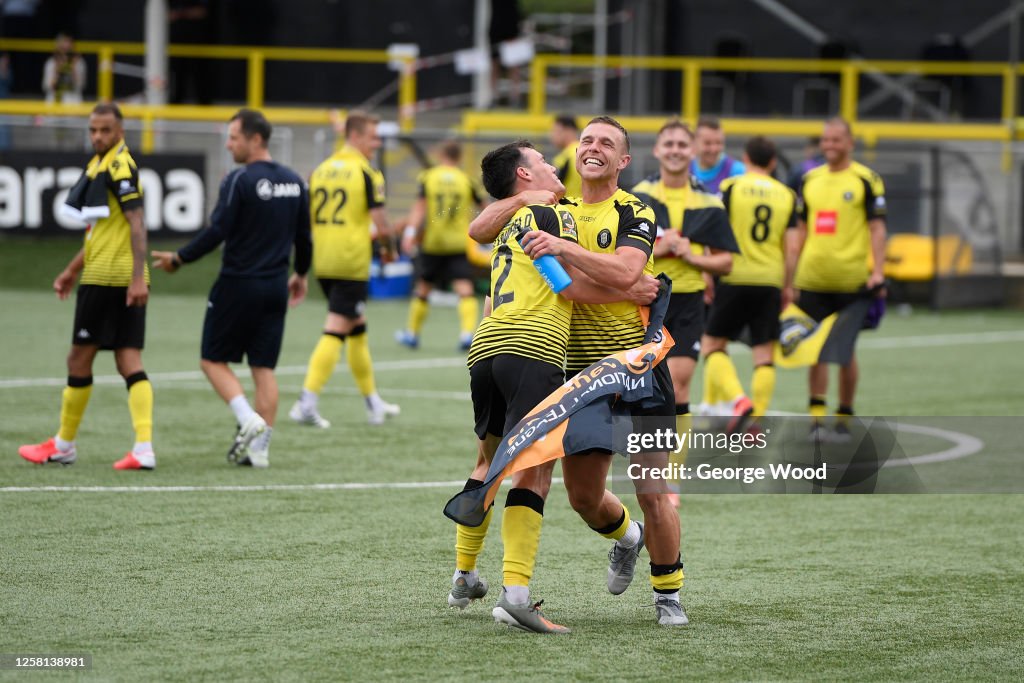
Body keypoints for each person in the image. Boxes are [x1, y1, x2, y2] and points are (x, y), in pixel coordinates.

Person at [474, 117, 688, 628]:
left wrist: (565, 249)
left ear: (623, 161)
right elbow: (485, 232)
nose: (593, 148)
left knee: (653, 489)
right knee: (584, 498)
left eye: (606, 144)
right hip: (579, 375)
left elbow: (626, 271)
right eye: (587, 140)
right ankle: (628, 539)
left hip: (637, 367)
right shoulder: (552, 207)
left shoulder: (636, 209)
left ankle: (668, 596)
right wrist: (523, 202)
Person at [151, 109, 311, 468]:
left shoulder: (239, 180)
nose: (228, 144)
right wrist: (300, 274)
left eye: (234, 137)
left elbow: (217, 231)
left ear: (255, 139)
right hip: (274, 288)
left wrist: (180, 258)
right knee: (263, 367)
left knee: (211, 359)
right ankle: (260, 452)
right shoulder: (295, 181)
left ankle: (248, 419)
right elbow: (304, 237)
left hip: (238, 285)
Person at [19, 103, 155, 470]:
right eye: (93, 130)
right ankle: (143, 448)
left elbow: (137, 222)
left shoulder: (117, 165)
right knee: (128, 359)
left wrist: (139, 276)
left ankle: (64, 444)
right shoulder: (99, 165)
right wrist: (70, 270)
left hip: (110, 278)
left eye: (105, 130)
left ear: (120, 130)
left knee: (79, 357)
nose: (97, 136)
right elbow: (101, 232)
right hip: (107, 273)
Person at [289, 111, 399, 429]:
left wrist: (304, 263)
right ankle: (306, 401)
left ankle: (372, 401)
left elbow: (305, 219)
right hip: (351, 261)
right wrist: (389, 252)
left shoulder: (320, 170)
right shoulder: (366, 172)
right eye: (373, 137)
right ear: (355, 136)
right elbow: (381, 222)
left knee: (356, 328)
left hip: (324, 259)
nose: (377, 143)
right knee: (336, 327)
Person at [786, 117, 887, 439]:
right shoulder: (810, 179)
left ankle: (844, 416)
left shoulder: (867, 179)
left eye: (836, 140)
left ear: (850, 143)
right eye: (825, 140)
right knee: (813, 350)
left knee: (844, 350)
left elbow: (877, 228)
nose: (829, 145)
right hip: (812, 279)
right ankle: (817, 418)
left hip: (852, 282)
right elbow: (800, 230)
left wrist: (878, 272)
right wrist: (792, 276)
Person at [632, 120, 734, 431]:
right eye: (669, 144)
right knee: (640, 388)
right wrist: (662, 250)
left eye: (681, 145)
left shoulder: (710, 203)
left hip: (689, 301)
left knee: (678, 385)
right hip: (647, 300)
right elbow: (622, 257)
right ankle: (648, 466)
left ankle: (671, 477)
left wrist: (691, 256)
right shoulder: (638, 197)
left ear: (692, 151)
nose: (675, 151)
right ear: (657, 150)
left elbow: (726, 263)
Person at [701, 136, 797, 424]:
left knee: (712, 345)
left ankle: (740, 402)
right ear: (773, 162)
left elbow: (712, 233)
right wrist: (787, 285)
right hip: (769, 279)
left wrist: (707, 272)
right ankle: (758, 419)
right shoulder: (787, 195)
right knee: (764, 354)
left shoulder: (731, 188)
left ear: (745, 158)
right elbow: (792, 247)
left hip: (733, 276)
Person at [395, 140, 486, 351]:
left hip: (433, 242)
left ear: (441, 154)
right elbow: (485, 208)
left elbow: (419, 208)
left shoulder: (429, 177)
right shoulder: (466, 180)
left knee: (424, 288)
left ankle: (412, 334)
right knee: (465, 289)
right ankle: (466, 335)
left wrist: (409, 233)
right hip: (457, 242)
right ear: (459, 157)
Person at [690, 116, 745, 196]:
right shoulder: (685, 170)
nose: (714, 149)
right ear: (695, 143)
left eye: (718, 143)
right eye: (707, 143)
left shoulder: (738, 172)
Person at [42, 33, 85, 104]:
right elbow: (47, 86)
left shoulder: (79, 63)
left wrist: (73, 68)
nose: (65, 47)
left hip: (73, 100)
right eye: (62, 46)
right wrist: (57, 70)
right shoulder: (51, 63)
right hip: (54, 100)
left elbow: (80, 85)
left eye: (68, 45)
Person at [549, 114, 582, 198]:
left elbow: (554, 189)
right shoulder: (586, 151)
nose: (552, 135)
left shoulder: (565, 157)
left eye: (555, 131)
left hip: (569, 206)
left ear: (568, 131)